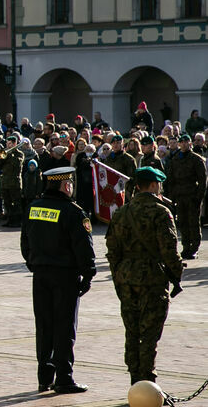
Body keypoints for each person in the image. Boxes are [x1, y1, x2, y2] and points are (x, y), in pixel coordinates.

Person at [104, 166, 184, 385]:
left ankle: (134, 379)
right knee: (149, 334)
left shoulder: (121, 212)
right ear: (154, 185)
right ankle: (147, 383)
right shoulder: (161, 212)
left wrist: (118, 278)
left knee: (132, 331)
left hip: (126, 278)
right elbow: (169, 250)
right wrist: (176, 274)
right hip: (152, 279)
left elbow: (112, 251)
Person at [19, 167, 95, 393]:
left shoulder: (34, 207)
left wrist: (34, 263)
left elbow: (25, 242)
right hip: (65, 276)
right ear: (65, 186)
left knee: (44, 326)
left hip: (40, 274)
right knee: (64, 327)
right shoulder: (73, 212)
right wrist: (88, 274)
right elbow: (83, 248)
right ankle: (64, 377)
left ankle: (44, 377)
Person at [163, 134, 206, 260]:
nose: (184, 144)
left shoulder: (196, 159)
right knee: (182, 222)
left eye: (186, 142)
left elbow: (202, 180)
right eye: (181, 142)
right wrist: (172, 197)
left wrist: (199, 197)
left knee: (193, 222)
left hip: (192, 195)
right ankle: (186, 246)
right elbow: (170, 179)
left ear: (190, 143)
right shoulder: (175, 159)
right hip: (179, 195)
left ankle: (194, 248)